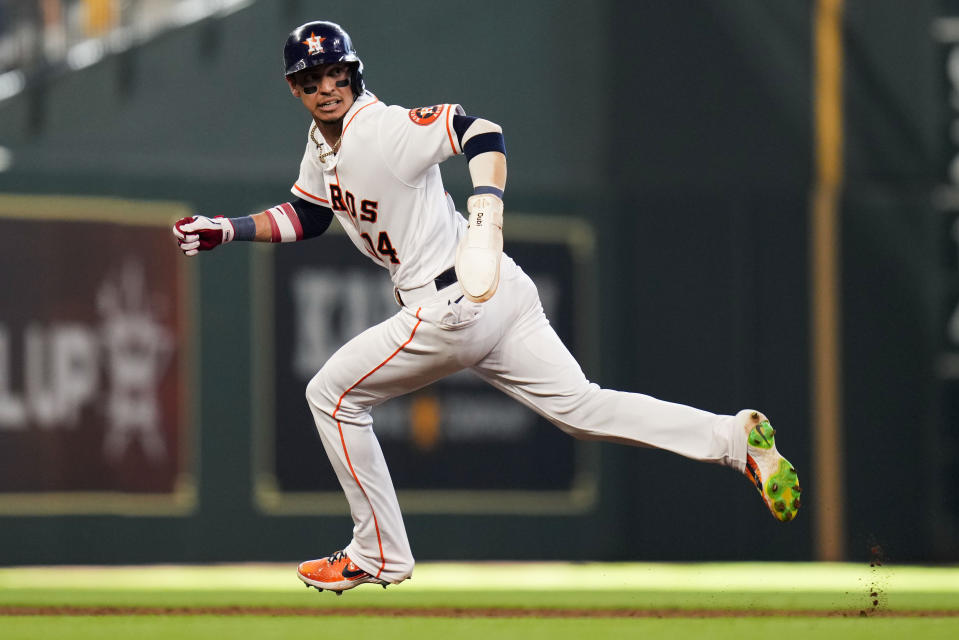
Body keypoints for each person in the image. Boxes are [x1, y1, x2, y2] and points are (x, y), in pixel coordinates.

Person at [172, 20, 801, 595]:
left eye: (336, 73)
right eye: (311, 80)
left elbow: (481, 131)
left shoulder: (383, 128)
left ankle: (378, 552)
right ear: (296, 91)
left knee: (331, 396)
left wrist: (487, 204)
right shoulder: (322, 142)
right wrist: (229, 228)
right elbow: (310, 214)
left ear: (355, 74)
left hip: (451, 304)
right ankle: (732, 437)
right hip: (497, 292)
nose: (326, 87)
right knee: (582, 407)